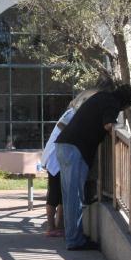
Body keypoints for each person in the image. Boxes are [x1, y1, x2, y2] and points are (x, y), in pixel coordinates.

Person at [54, 84, 131, 250]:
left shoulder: (100, 97)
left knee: (69, 195)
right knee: (74, 196)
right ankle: (75, 241)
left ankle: (73, 236)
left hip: (63, 145)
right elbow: (108, 125)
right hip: (75, 148)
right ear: (126, 103)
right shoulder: (112, 103)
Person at [37, 91, 94, 238]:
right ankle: (51, 226)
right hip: (56, 158)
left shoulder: (74, 114)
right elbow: (63, 127)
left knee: (63, 194)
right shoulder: (72, 114)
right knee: (54, 194)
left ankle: (59, 225)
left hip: (60, 157)